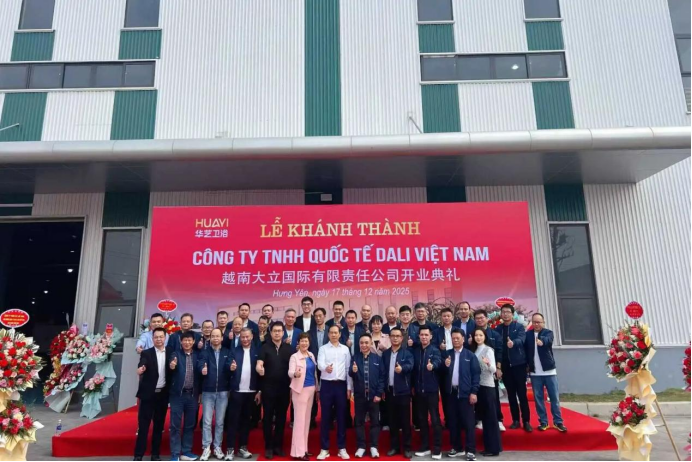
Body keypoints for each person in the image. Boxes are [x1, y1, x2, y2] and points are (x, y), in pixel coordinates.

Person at [257, 322, 293, 460]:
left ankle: (278, 446)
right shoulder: (264, 347)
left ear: (283, 333)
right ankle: (269, 447)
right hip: (268, 388)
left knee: (281, 418)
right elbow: (259, 364)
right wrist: (259, 369)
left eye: (279, 331)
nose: (277, 333)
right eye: (274, 331)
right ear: (270, 333)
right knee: (267, 418)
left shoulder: (289, 349)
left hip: (284, 389)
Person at [525, 313, 567, 433]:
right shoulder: (527, 335)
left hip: (549, 371)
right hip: (535, 373)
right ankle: (543, 422)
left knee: (554, 398)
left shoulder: (548, 333)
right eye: (534, 322)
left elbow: (548, 341)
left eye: (539, 322)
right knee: (538, 399)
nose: (536, 324)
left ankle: (558, 421)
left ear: (543, 323)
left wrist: (541, 342)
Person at [133, 328, 171, 462]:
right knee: (143, 426)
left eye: (161, 337)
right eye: (156, 337)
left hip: (162, 395)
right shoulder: (147, 353)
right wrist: (141, 368)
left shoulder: (171, 352)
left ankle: (155, 454)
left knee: (158, 426)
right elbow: (142, 362)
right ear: (152, 339)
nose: (159, 339)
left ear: (165, 338)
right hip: (148, 395)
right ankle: (138, 455)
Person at [444, 328, 481, 461]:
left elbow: (476, 375)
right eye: (453, 338)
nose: (455, 340)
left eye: (458, 338)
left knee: (468, 423)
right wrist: (445, 365)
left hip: (465, 393)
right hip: (451, 393)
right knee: (453, 421)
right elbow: (441, 373)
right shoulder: (447, 354)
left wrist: (474, 392)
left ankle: (470, 450)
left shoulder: (470, 355)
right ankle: (456, 447)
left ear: (463, 339)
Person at [317, 325, 353, 460]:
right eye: (331, 333)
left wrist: (349, 387)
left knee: (341, 417)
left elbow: (348, 369)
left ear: (339, 334)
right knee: (325, 418)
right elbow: (319, 364)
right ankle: (324, 448)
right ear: (328, 334)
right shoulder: (323, 349)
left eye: (335, 333)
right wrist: (325, 368)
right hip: (326, 385)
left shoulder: (345, 349)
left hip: (341, 386)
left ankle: (341, 448)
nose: (333, 335)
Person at [225, 328, 261, 461]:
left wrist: (259, 391)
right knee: (233, 421)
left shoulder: (257, 351)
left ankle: (243, 447)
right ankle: (230, 449)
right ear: (239, 338)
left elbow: (261, 373)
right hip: (236, 391)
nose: (245, 339)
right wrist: (230, 367)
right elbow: (227, 365)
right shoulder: (234, 351)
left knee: (246, 421)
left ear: (252, 337)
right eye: (242, 337)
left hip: (251, 392)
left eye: (247, 337)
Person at [494, 304, 531, 432]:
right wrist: (498, 366)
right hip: (506, 367)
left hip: (519, 365)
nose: (505, 314)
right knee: (510, 394)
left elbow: (522, 339)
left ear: (512, 314)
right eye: (503, 312)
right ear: (501, 314)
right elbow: (497, 347)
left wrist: (513, 343)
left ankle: (526, 421)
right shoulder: (498, 329)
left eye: (508, 312)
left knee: (522, 394)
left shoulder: (518, 327)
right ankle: (515, 420)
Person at [198, 328, 232, 462]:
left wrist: (231, 368)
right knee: (206, 422)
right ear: (210, 338)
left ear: (222, 338)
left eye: (218, 336)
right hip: (208, 391)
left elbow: (229, 366)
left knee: (219, 422)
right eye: (213, 336)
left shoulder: (227, 352)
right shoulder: (204, 352)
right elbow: (200, 364)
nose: (216, 338)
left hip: (223, 391)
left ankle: (217, 447)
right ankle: (206, 447)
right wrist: (202, 369)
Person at [350, 334, 384, 459]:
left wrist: (379, 394)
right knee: (359, 422)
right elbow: (350, 374)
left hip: (374, 396)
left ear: (370, 344)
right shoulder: (355, 358)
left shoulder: (377, 358)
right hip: (360, 396)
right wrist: (353, 371)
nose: (364, 345)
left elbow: (382, 377)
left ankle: (374, 446)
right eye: (361, 343)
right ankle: (361, 446)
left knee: (375, 422)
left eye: (366, 343)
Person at [168, 331, 201, 462]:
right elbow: (171, 365)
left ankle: (186, 451)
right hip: (178, 395)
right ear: (181, 342)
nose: (187, 342)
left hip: (192, 395)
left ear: (193, 342)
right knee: (175, 425)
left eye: (189, 340)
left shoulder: (197, 355)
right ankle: (175, 453)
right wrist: (172, 365)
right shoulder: (175, 354)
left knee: (189, 425)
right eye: (185, 340)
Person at [470, 328, 502, 457]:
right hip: (478, 386)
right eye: (476, 335)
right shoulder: (474, 350)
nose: (478, 337)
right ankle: (488, 447)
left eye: (480, 335)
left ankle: (494, 448)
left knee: (490, 418)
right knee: (484, 418)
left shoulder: (488, 350)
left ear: (485, 337)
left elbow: (493, 369)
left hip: (488, 386)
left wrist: (488, 363)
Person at [382, 327, 414, 459]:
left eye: (398, 336)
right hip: (389, 392)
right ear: (390, 337)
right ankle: (394, 447)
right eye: (393, 336)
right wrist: (382, 389)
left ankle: (407, 448)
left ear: (402, 338)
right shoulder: (385, 354)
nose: (395, 338)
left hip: (403, 392)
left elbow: (410, 366)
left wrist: (403, 368)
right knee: (392, 421)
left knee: (405, 421)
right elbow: (382, 373)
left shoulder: (407, 353)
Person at [412, 326, 443, 460]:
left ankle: (437, 448)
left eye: (426, 335)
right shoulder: (416, 351)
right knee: (422, 420)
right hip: (419, 391)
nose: (424, 337)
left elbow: (438, 362)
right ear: (419, 336)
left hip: (431, 391)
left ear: (431, 336)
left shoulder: (435, 350)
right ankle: (424, 447)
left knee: (435, 420)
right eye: (422, 335)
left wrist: (433, 366)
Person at [474, 309, 505, 432]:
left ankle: (498, 420)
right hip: (477, 375)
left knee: (494, 397)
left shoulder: (494, 334)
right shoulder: (473, 335)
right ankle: (480, 419)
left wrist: (498, 368)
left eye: (482, 318)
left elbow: (499, 351)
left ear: (487, 319)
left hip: (490, 373)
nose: (480, 320)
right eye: (477, 318)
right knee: (479, 397)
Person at [289, 333, 319, 461]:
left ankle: (304, 449)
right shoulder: (294, 357)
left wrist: (317, 389)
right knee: (299, 421)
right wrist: (295, 374)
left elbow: (314, 373)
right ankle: (298, 452)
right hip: (299, 390)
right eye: (302, 341)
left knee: (307, 421)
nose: (304, 343)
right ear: (298, 343)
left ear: (309, 343)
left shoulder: (311, 355)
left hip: (311, 389)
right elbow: (290, 372)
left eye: (306, 341)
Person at [369, 315, 391, 430]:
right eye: (374, 323)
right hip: (371, 370)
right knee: (373, 395)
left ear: (382, 325)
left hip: (385, 369)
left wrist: (385, 349)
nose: (376, 326)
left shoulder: (387, 337)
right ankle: (374, 420)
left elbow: (392, 352)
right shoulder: (367, 337)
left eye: (378, 323)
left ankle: (385, 421)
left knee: (384, 395)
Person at [436, 307, 455, 428]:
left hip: (456, 363)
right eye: (444, 316)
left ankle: (457, 419)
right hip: (442, 366)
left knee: (456, 394)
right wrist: (440, 347)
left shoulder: (457, 330)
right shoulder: (437, 331)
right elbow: (432, 347)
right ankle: (448, 419)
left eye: (448, 316)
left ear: (452, 317)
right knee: (445, 394)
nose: (446, 318)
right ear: (441, 318)